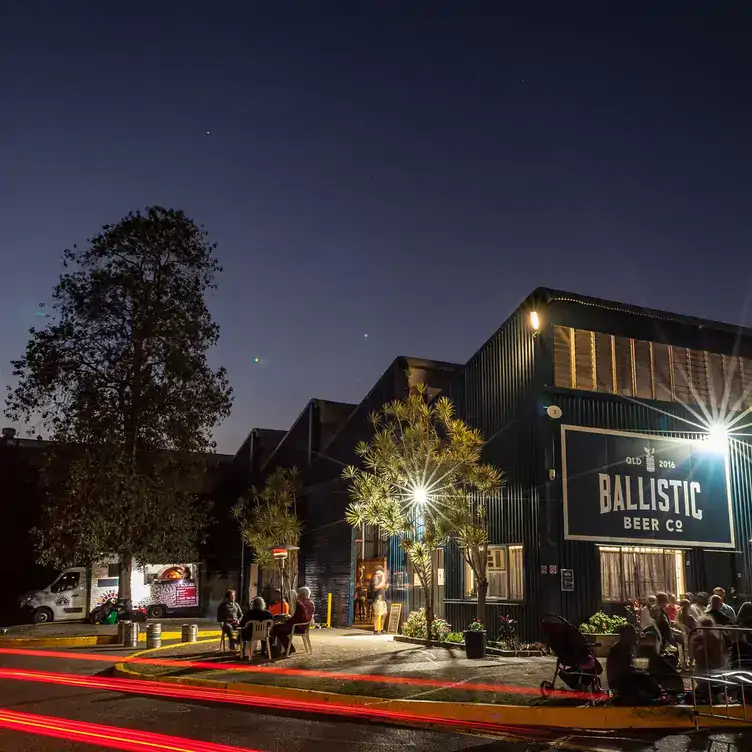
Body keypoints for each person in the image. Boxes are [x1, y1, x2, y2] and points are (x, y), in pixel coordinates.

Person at [607, 624, 660, 704]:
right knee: (648, 682)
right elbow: (624, 671)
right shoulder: (620, 650)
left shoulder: (626, 648)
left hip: (623, 679)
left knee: (648, 680)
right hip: (620, 682)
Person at [272, 586, 315, 655]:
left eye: (299, 594)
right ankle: (279, 649)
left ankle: (286, 649)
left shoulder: (300, 604)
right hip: (305, 627)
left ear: (302, 595)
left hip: (298, 627)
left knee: (277, 629)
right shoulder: (311, 603)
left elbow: (296, 618)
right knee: (279, 628)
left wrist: (287, 621)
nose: (298, 595)